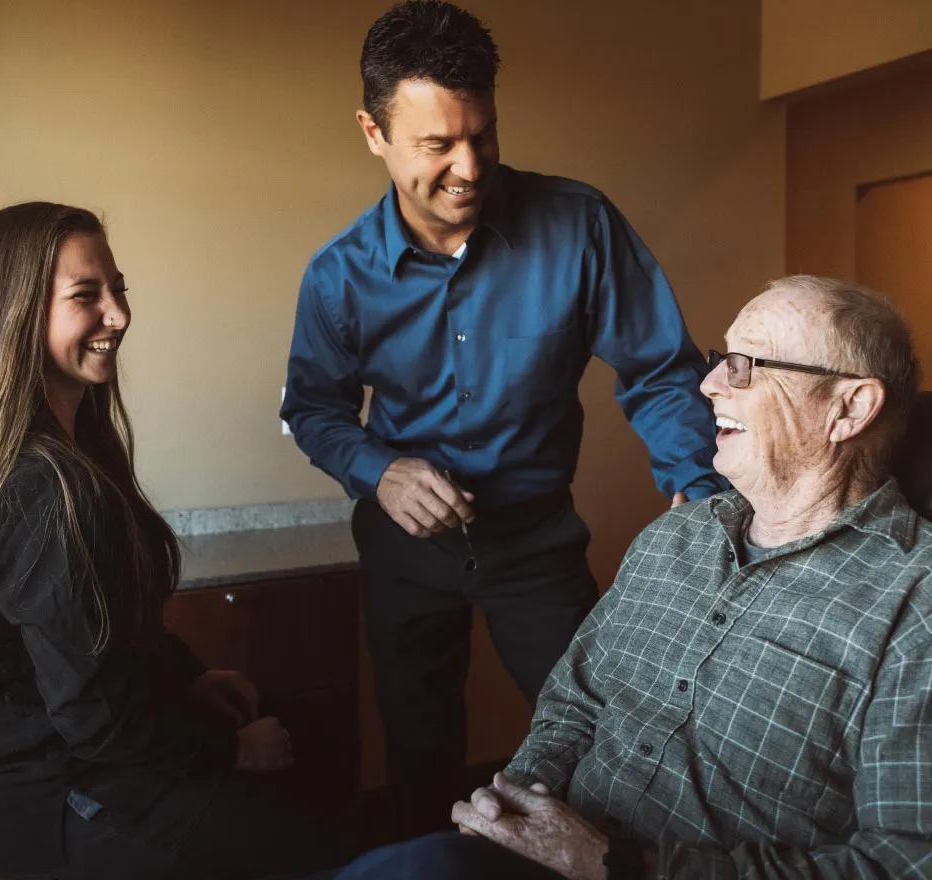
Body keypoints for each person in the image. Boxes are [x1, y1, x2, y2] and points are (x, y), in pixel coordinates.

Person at [281, 0, 725, 836]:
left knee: (607, 743)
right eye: (436, 144)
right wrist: (380, 469)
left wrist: (697, 489)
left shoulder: (582, 225)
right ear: (373, 134)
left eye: (482, 135)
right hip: (404, 552)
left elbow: (663, 370)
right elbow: (313, 409)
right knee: (417, 750)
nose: (469, 166)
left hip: (539, 545)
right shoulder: (336, 276)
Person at [328, 275, 932, 879]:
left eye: (746, 366)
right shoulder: (675, 536)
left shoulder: (915, 602)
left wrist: (622, 867)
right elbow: (573, 703)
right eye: (723, 359)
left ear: (849, 408)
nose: (708, 383)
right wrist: (515, 805)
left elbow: (903, 863)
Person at [0, 202, 338, 880]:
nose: (119, 314)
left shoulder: (80, 451)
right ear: (16, 316)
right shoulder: (40, 490)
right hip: (58, 796)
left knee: (301, 734)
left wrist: (191, 676)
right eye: (87, 296)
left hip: (93, 764)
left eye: (119, 290)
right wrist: (228, 748)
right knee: (313, 852)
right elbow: (98, 721)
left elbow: (110, 630)